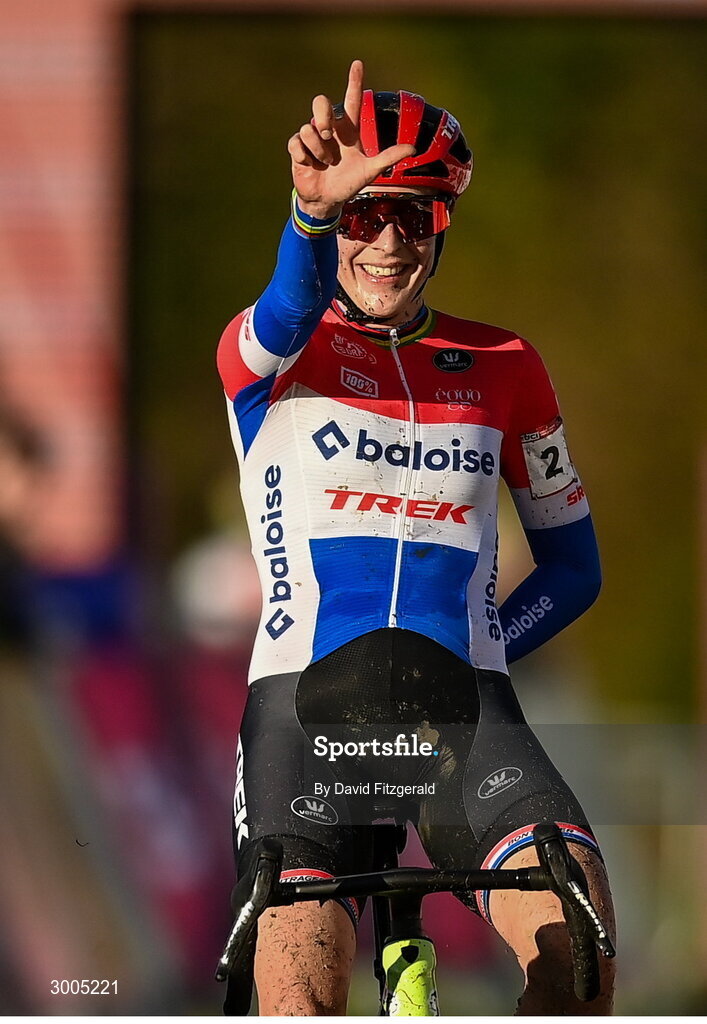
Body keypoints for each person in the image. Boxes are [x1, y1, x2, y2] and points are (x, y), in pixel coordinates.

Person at [217, 60, 616, 1015]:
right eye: (365, 216)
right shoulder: (273, 352)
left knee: (580, 948)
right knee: (297, 995)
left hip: (464, 712)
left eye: (416, 217)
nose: (389, 241)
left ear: (444, 227)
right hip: (304, 712)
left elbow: (573, 566)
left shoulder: (507, 365)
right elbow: (285, 299)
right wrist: (311, 216)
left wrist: (474, 655)